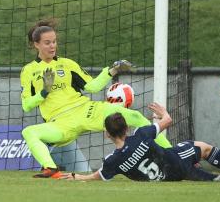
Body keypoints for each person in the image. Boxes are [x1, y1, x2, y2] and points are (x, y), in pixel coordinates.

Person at [20, 19, 172, 179]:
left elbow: (92, 86)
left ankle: (174, 153)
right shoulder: (29, 70)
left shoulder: (67, 64)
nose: (52, 46)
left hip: (86, 110)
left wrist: (113, 70)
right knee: (29, 132)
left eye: (54, 42)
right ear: (36, 44)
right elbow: (26, 105)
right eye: (47, 43)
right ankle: (50, 168)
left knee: (136, 117)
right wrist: (44, 92)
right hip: (59, 123)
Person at [60, 102, 220, 182]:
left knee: (198, 173)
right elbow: (167, 121)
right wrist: (162, 112)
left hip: (167, 177)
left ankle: (217, 178)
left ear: (107, 135)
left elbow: (98, 176)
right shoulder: (141, 134)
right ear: (126, 128)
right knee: (202, 147)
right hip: (176, 162)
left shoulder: (112, 161)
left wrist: (78, 177)